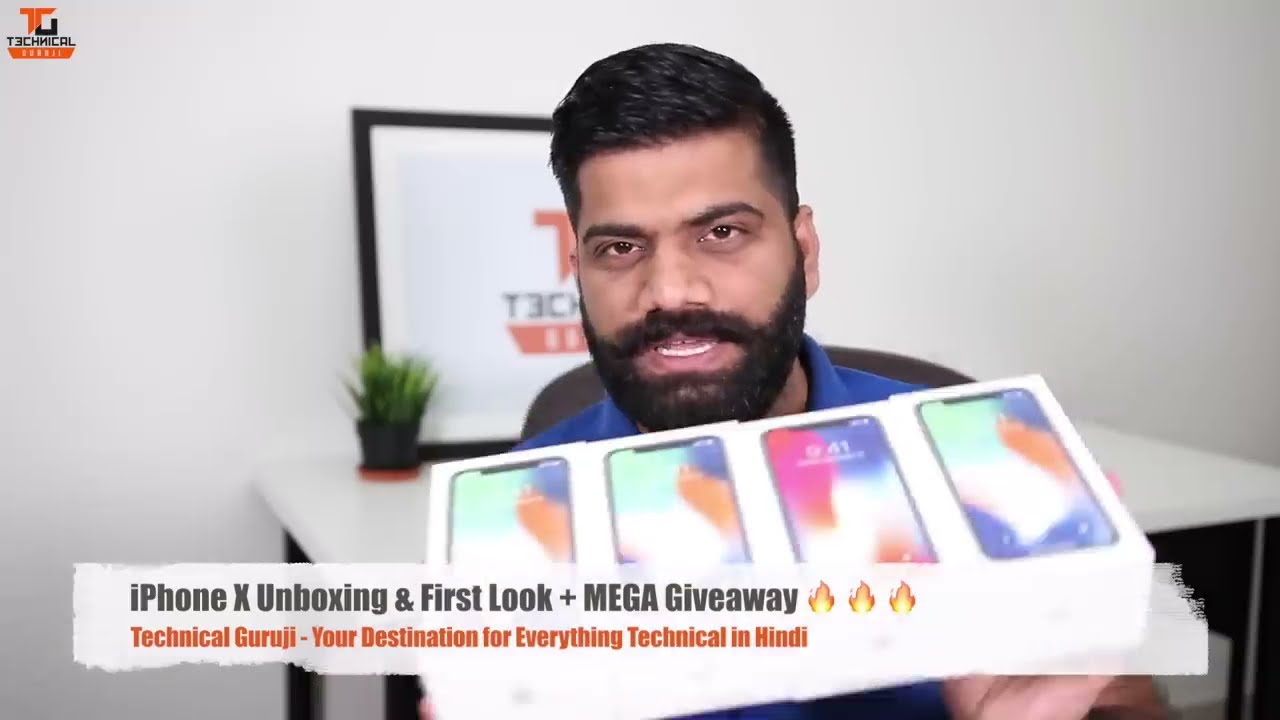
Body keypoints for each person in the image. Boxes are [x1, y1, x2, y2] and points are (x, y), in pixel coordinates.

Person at [424, 43, 1169, 720]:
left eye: (721, 233)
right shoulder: (515, 524)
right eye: (620, 247)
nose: (671, 291)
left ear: (804, 250)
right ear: (579, 271)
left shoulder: (981, 473)